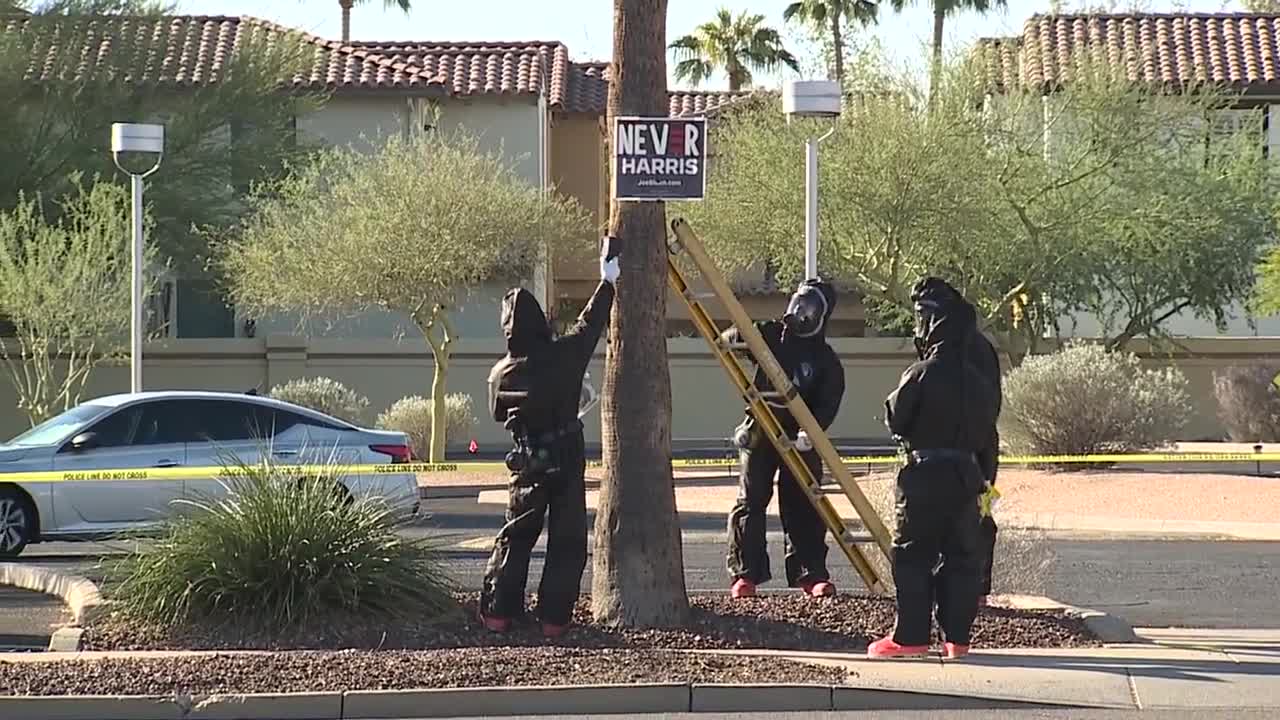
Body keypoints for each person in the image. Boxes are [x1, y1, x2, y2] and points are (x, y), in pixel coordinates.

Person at [478, 238, 619, 638]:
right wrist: (607, 281)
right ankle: (554, 620)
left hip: (526, 460)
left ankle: (497, 613)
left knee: (517, 535)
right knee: (567, 538)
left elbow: (498, 414)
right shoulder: (564, 357)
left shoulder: (501, 375)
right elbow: (589, 326)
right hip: (566, 454)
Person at [870, 284, 1000, 660]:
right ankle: (957, 640)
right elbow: (987, 430)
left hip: (923, 474)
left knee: (913, 554)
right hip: (967, 475)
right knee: (961, 556)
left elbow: (897, 418)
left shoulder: (922, 372)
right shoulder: (981, 378)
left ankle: (910, 638)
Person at [722, 278, 846, 599]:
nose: (799, 311)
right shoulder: (768, 335)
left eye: (809, 306)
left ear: (821, 314)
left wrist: (811, 434)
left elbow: (828, 404)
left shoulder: (826, 362)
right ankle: (745, 574)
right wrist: (740, 337)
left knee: (803, 503)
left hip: (800, 439)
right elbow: (729, 341)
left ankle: (811, 574)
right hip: (761, 429)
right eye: (798, 302)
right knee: (750, 501)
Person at [909, 277, 1003, 604]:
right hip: (964, 447)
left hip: (973, 448)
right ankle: (958, 591)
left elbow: (988, 406)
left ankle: (974, 590)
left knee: (976, 515)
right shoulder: (936, 346)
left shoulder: (973, 349)